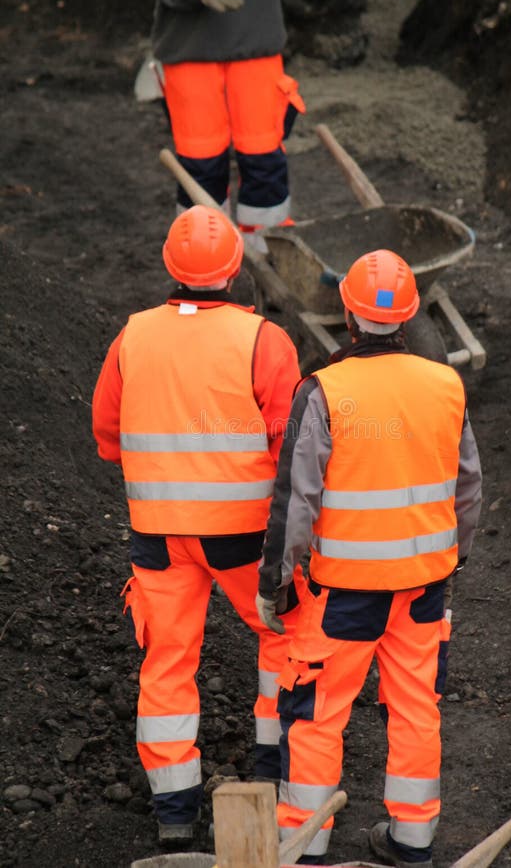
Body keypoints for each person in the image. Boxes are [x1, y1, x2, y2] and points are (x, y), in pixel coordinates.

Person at [256, 249, 483, 866]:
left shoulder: (325, 390)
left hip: (343, 594)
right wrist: (450, 560)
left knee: (317, 712)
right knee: (415, 706)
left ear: (348, 315)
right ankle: (412, 842)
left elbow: (295, 500)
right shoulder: (445, 385)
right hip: (423, 587)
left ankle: (306, 845)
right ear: (408, 319)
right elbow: (469, 488)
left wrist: (275, 586)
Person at [92, 204, 306, 845]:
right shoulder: (262, 340)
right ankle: (273, 782)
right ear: (235, 268)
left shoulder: (133, 337)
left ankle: (175, 817)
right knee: (281, 636)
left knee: (167, 662)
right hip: (241, 535)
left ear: (168, 264)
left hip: (157, 535)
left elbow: (107, 436)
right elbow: (292, 447)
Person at [136, 0, 305, 250]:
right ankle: (203, 263)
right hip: (190, 48)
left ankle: (270, 255)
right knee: (200, 166)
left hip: (253, 43)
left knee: (263, 158)